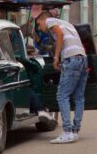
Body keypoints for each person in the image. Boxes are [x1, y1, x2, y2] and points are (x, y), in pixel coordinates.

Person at [36, 11, 87, 144]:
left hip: (71, 59)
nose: (40, 28)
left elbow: (60, 34)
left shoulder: (49, 21)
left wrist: (56, 57)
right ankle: (75, 131)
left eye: (38, 24)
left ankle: (66, 131)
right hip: (82, 58)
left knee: (62, 95)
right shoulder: (67, 23)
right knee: (79, 97)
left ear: (43, 19)